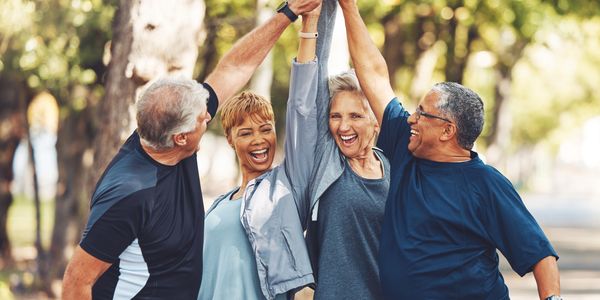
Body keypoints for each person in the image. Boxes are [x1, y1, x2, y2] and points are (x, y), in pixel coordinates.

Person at [61, 0, 321, 299]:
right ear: (181, 138)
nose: (208, 115)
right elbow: (76, 280)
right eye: (202, 119)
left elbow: (233, 68)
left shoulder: (161, 128)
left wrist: (289, 14)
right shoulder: (130, 193)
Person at [337, 0, 561, 299]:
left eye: (422, 113)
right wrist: (349, 7)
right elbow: (374, 75)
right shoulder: (405, 146)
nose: (412, 118)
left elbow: (540, 256)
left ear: (447, 130)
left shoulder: (486, 185)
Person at [197, 5, 321, 300]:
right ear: (229, 140)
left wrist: (309, 22)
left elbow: (302, 110)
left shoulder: (285, 188)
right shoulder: (217, 204)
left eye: (265, 129)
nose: (259, 140)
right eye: (246, 132)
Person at [304, 68, 389, 300]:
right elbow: (308, 82)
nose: (343, 127)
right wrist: (311, 31)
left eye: (355, 116)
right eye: (335, 116)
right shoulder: (326, 161)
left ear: (375, 122)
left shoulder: (393, 170)